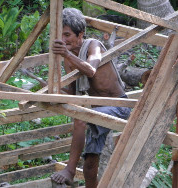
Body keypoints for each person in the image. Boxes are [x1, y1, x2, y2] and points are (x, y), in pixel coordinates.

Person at [50, 8, 129, 188]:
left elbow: (91, 69)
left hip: (120, 106)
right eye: (59, 35)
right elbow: (72, 94)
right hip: (97, 112)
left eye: (67, 34)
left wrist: (66, 54)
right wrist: (53, 92)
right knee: (90, 164)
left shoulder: (93, 45)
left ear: (80, 35)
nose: (63, 39)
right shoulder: (68, 59)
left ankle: (69, 170)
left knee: (81, 118)